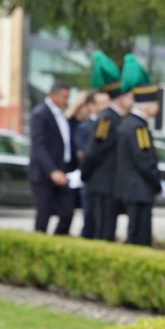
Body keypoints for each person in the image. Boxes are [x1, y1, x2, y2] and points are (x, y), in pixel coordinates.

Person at [81, 51, 133, 241]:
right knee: (102, 229)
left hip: (111, 184)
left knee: (109, 228)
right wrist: (85, 174)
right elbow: (96, 149)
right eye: (129, 97)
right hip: (102, 183)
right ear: (120, 98)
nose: (132, 101)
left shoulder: (119, 119)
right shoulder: (107, 119)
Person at [114, 55, 162, 247]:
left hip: (133, 188)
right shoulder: (138, 127)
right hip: (139, 188)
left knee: (136, 230)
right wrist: (157, 183)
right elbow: (144, 160)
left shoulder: (129, 123)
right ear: (149, 105)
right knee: (139, 234)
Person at [28, 81, 77, 234]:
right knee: (44, 214)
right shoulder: (40, 114)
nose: (66, 101)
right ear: (53, 95)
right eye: (64, 97)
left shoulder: (63, 115)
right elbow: (39, 146)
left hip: (63, 170)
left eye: (68, 97)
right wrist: (52, 170)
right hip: (44, 174)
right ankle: (39, 246)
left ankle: (57, 243)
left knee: (67, 212)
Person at [73, 90, 111, 239]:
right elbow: (86, 154)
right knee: (90, 221)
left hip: (105, 181)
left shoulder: (109, 124)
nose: (105, 107)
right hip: (90, 180)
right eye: (101, 104)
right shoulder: (85, 127)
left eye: (107, 103)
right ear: (91, 106)